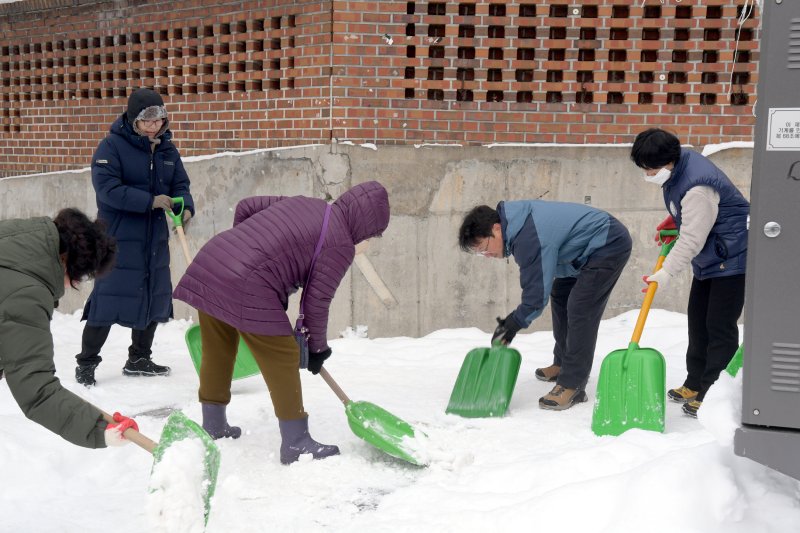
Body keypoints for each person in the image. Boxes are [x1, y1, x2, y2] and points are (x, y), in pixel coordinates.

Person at [173, 181, 390, 464]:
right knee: (284, 354)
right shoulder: (339, 243)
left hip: (213, 261)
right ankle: (296, 442)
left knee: (219, 349)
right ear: (365, 226)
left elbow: (246, 207)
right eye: (372, 236)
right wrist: (317, 350)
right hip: (247, 283)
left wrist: (245, 247)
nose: (368, 243)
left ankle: (213, 426)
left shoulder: (307, 202)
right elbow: (316, 303)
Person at [458, 200, 632, 411]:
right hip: (578, 252)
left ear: (496, 228)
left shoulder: (527, 236)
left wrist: (513, 323)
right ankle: (562, 363)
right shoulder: (519, 225)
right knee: (560, 293)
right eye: (480, 253)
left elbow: (535, 296)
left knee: (580, 307)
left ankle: (572, 384)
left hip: (607, 243)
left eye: (484, 248)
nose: (486, 255)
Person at [75, 87, 195, 386]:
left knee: (154, 295)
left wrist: (186, 208)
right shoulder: (111, 147)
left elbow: (180, 184)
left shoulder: (167, 149)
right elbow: (108, 190)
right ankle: (87, 363)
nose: (154, 125)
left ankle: (139, 357)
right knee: (107, 300)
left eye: (159, 119)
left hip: (154, 239)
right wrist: (150, 201)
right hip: (119, 240)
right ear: (133, 119)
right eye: (147, 120)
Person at [631, 128, 749, 418]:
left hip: (732, 259)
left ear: (669, 161)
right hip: (712, 258)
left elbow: (693, 238)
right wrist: (673, 220)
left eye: (651, 168)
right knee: (698, 324)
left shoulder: (698, 186)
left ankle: (712, 393)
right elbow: (689, 213)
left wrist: (666, 272)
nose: (648, 174)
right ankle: (694, 382)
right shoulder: (679, 166)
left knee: (719, 328)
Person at [0, 208, 140, 448]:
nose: (72, 285)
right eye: (80, 277)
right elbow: (37, 390)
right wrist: (100, 431)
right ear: (67, 263)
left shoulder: (13, 242)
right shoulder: (26, 295)